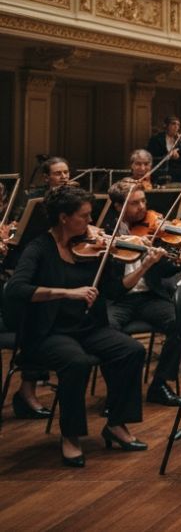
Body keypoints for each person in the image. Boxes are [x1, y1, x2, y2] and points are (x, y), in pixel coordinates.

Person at [4, 185, 148, 467]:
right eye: (84, 216)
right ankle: (70, 436)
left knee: (131, 350)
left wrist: (145, 265)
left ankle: (116, 424)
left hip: (87, 328)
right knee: (77, 362)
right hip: (49, 333)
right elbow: (16, 289)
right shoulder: (38, 248)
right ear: (64, 218)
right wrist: (67, 293)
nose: (91, 222)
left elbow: (113, 291)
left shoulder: (91, 248)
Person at [103, 179, 181, 407]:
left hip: (149, 297)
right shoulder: (106, 233)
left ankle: (160, 384)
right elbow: (111, 287)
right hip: (118, 300)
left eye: (143, 201)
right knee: (108, 330)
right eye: (134, 203)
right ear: (118, 206)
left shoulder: (154, 229)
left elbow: (167, 270)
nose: (142, 208)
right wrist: (139, 258)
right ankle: (117, 392)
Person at [146, 116, 181, 184]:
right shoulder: (156, 139)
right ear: (166, 126)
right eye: (173, 124)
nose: (176, 127)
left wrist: (178, 155)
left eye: (178, 125)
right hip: (160, 168)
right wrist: (168, 156)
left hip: (177, 168)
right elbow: (150, 156)